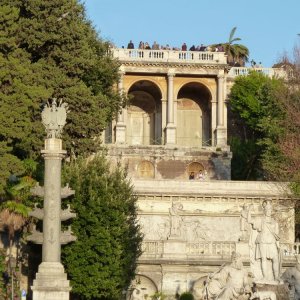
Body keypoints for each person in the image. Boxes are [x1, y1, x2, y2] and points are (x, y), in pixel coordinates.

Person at [247, 200, 281, 282]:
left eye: (270, 210)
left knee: (275, 259)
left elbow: (276, 236)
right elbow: (249, 220)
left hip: (272, 241)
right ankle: (265, 277)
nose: (269, 211)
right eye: (267, 210)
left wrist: (278, 245)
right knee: (264, 259)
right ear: (265, 211)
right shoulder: (260, 219)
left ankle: (276, 277)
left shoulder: (274, 222)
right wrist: (249, 211)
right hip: (262, 241)